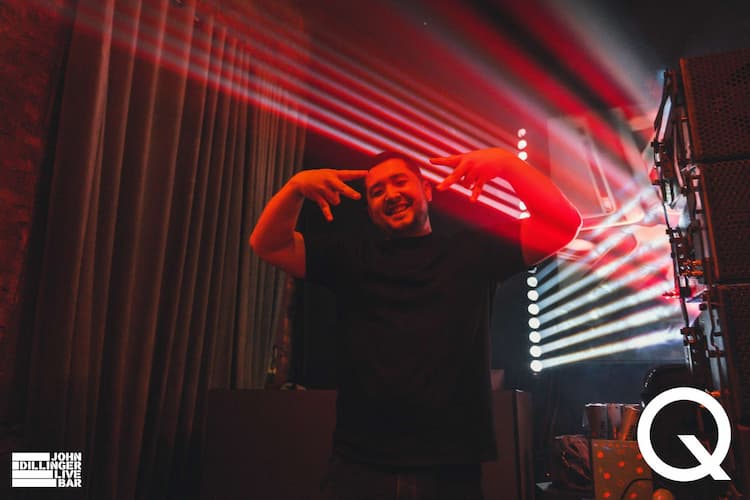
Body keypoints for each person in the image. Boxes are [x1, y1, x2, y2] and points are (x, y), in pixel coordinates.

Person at [249, 148, 581, 499]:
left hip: (451, 468)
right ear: (369, 208)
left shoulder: (471, 252)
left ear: (427, 189)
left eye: (399, 182)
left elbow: (563, 224)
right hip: (360, 464)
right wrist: (295, 188)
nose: (390, 194)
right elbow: (268, 245)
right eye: (377, 191)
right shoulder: (351, 258)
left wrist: (507, 163)